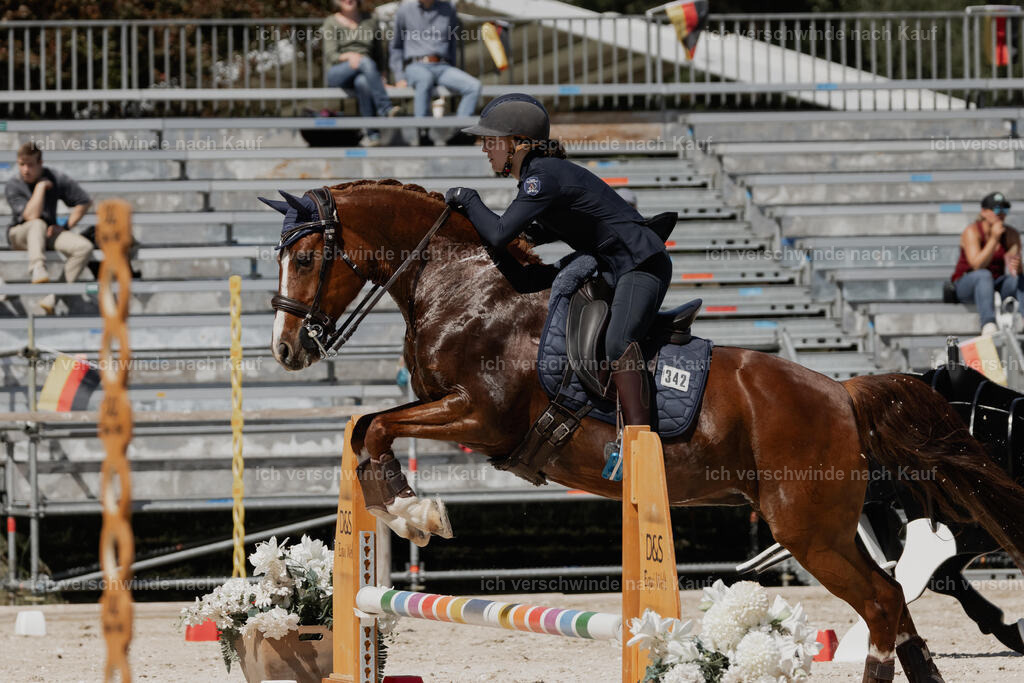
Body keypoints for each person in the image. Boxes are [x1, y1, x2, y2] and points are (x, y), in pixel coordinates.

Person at [444, 94, 672, 428]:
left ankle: (641, 441)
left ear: (518, 144)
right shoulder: (538, 177)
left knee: (617, 343)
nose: (484, 149)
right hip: (612, 266)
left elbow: (499, 232)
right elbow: (518, 239)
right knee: (530, 282)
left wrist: (469, 199)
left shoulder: (542, 178)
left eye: (491, 141)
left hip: (640, 265)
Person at [5, 142, 94, 315]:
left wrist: (65, 226)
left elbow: (84, 201)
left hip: (46, 233)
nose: (25, 170)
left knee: (84, 247)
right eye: (21, 164)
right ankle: (37, 267)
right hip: (19, 234)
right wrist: (40, 187)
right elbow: (31, 216)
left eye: (30, 164)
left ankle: (53, 297)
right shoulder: (13, 185)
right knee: (36, 224)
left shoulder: (55, 177)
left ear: (40, 163)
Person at [388, 0, 481, 146]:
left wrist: (452, 68)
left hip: (442, 66)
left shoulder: (448, 7)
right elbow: (396, 47)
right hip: (416, 65)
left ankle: (460, 133)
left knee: (474, 86)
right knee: (425, 78)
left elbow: (451, 42)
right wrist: (399, 76)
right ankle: (423, 132)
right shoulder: (405, 9)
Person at [322, 0, 400, 147]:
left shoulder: (371, 20)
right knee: (364, 62)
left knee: (363, 82)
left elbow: (379, 54)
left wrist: (382, 76)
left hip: (367, 72)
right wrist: (350, 56)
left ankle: (373, 135)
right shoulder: (331, 22)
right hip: (338, 71)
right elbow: (331, 55)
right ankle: (385, 108)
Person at [951, 191, 1023, 337]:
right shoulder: (972, 231)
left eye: (1004, 209)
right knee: (984, 275)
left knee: (1020, 279)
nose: (1001, 214)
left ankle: (1021, 319)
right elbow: (977, 265)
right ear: (984, 212)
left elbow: (1015, 268)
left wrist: (1018, 266)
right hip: (968, 283)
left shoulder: (1011, 234)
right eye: (997, 209)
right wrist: (994, 238)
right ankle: (988, 324)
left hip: (995, 283)